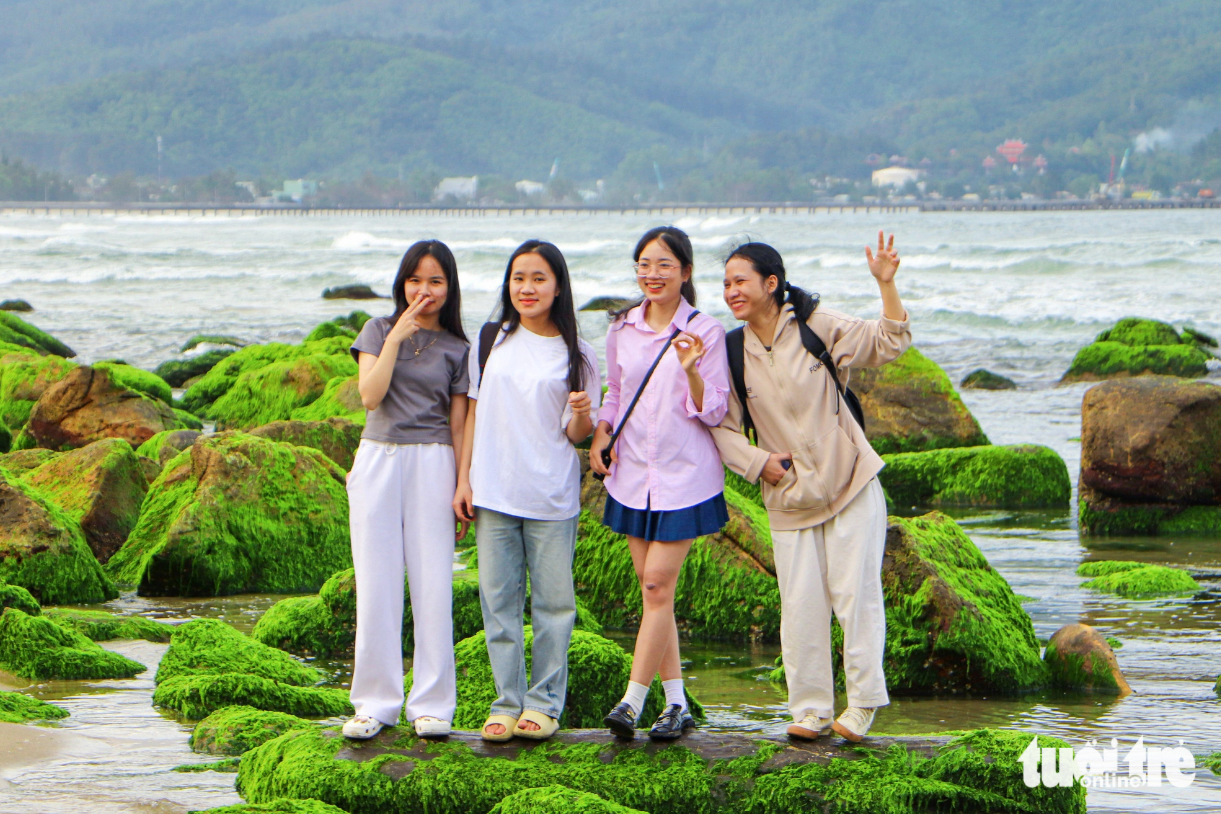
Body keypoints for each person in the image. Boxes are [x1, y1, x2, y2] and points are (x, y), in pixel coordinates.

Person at [711, 233, 910, 743]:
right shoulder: (732, 351)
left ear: (771, 283)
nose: (731, 291)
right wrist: (759, 464)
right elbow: (720, 428)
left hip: (851, 481)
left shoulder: (816, 327)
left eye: (740, 281)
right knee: (800, 605)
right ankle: (812, 710)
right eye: (725, 283)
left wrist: (886, 285)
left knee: (855, 596)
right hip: (790, 497)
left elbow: (890, 342)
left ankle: (862, 704)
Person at [453, 239, 600, 742]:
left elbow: (577, 435)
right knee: (498, 603)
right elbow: (473, 412)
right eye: (519, 278)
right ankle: (506, 702)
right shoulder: (492, 338)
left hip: (551, 497)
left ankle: (544, 704)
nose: (527, 288)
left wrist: (581, 413)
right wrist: (463, 479)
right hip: (494, 493)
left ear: (558, 285)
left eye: (539, 278)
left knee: (554, 606)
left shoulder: (578, 353)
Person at [589, 226, 730, 740]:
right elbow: (616, 392)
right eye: (644, 265)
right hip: (631, 476)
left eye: (664, 265)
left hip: (685, 478)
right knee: (656, 597)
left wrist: (691, 369)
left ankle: (631, 701)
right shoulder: (622, 327)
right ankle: (677, 704)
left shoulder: (705, 331)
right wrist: (600, 435)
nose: (652, 274)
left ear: (686, 272)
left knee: (655, 585)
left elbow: (713, 408)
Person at [342, 240, 471, 741]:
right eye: (416, 280)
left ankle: (433, 704)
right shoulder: (377, 329)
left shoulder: (460, 349)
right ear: (402, 283)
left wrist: (463, 483)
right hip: (377, 457)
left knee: (433, 585)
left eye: (436, 281)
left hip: (434, 461)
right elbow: (370, 396)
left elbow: (459, 424)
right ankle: (374, 703)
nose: (424, 290)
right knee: (376, 585)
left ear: (450, 287)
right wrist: (397, 335)